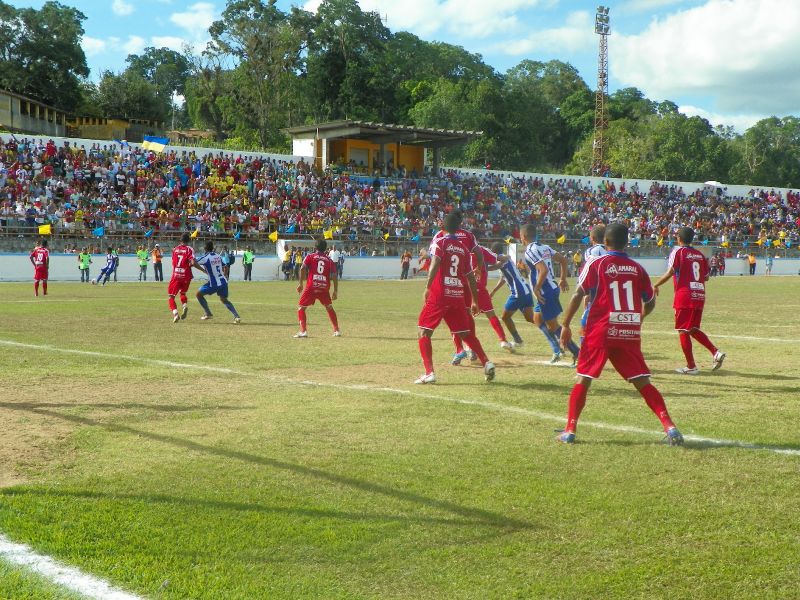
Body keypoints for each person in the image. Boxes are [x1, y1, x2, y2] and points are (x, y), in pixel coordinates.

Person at [556, 222, 684, 445]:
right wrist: (639, 318)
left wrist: (565, 325)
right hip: (627, 330)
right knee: (643, 381)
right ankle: (670, 427)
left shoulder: (597, 263)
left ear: (605, 242)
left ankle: (570, 430)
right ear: (627, 243)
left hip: (601, 330)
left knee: (583, 378)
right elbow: (650, 300)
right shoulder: (637, 268)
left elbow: (578, 294)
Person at [416, 213, 495, 384]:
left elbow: (435, 263)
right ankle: (486, 362)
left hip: (440, 295)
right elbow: (470, 277)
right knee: (465, 333)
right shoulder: (463, 249)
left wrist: (428, 287)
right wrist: (474, 300)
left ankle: (429, 372)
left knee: (424, 331)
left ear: (442, 228)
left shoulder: (440, 242)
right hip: (458, 295)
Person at [653, 226, 726, 375]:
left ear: (679, 238)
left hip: (684, 295)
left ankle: (691, 366)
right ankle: (715, 352)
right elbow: (706, 276)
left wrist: (656, 284)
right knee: (692, 329)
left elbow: (671, 271)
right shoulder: (699, 255)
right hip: (699, 294)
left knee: (683, 330)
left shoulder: (678, 252)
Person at [521, 223, 580, 365]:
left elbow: (543, 270)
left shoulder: (530, 250)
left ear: (523, 237)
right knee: (537, 319)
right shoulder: (544, 247)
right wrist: (563, 279)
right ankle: (557, 350)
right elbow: (564, 260)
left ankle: (578, 353)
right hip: (549, 289)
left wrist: (536, 288)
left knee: (553, 326)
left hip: (545, 291)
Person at [488, 242, 536, 347]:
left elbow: (496, 265)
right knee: (531, 318)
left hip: (518, 292)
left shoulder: (503, 260)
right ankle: (554, 329)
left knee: (505, 317)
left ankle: (518, 340)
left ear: (494, 252)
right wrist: (493, 292)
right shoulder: (506, 261)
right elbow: (503, 279)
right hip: (526, 290)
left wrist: (484, 268)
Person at [294, 238, 340, 338]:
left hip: (311, 286)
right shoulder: (329, 260)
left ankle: (303, 331)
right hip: (324, 287)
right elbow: (334, 275)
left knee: (301, 308)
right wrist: (335, 291)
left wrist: (301, 283)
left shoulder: (310, 256)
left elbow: (302, 268)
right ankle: (336, 330)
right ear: (325, 248)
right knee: (329, 307)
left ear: (315, 247)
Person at [193, 241, 241, 323]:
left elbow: (193, 262)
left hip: (214, 283)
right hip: (223, 282)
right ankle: (237, 316)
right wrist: (224, 275)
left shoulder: (205, 257)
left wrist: (203, 270)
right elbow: (226, 267)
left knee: (198, 294)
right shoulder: (218, 256)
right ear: (213, 248)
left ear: (205, 248)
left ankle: (208, 313)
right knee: (224, 299)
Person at [580, 225, 608, 345]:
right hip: (612, 293)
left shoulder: (591, 251)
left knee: (585, 323)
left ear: (592, 238)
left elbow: (590, 271)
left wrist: (586, 292)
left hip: (597, 293)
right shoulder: (611, 250)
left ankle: (583, 352)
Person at [168, 232, 195, 323]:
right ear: (189, 240)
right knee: (182, 293)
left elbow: (173, 262)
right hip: (186, 275)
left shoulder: (175, 249)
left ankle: (175, 314)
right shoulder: (189, 249)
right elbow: (192, 262)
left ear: (180, 240)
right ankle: (184, 305)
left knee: (171, 296)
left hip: (176, 275)